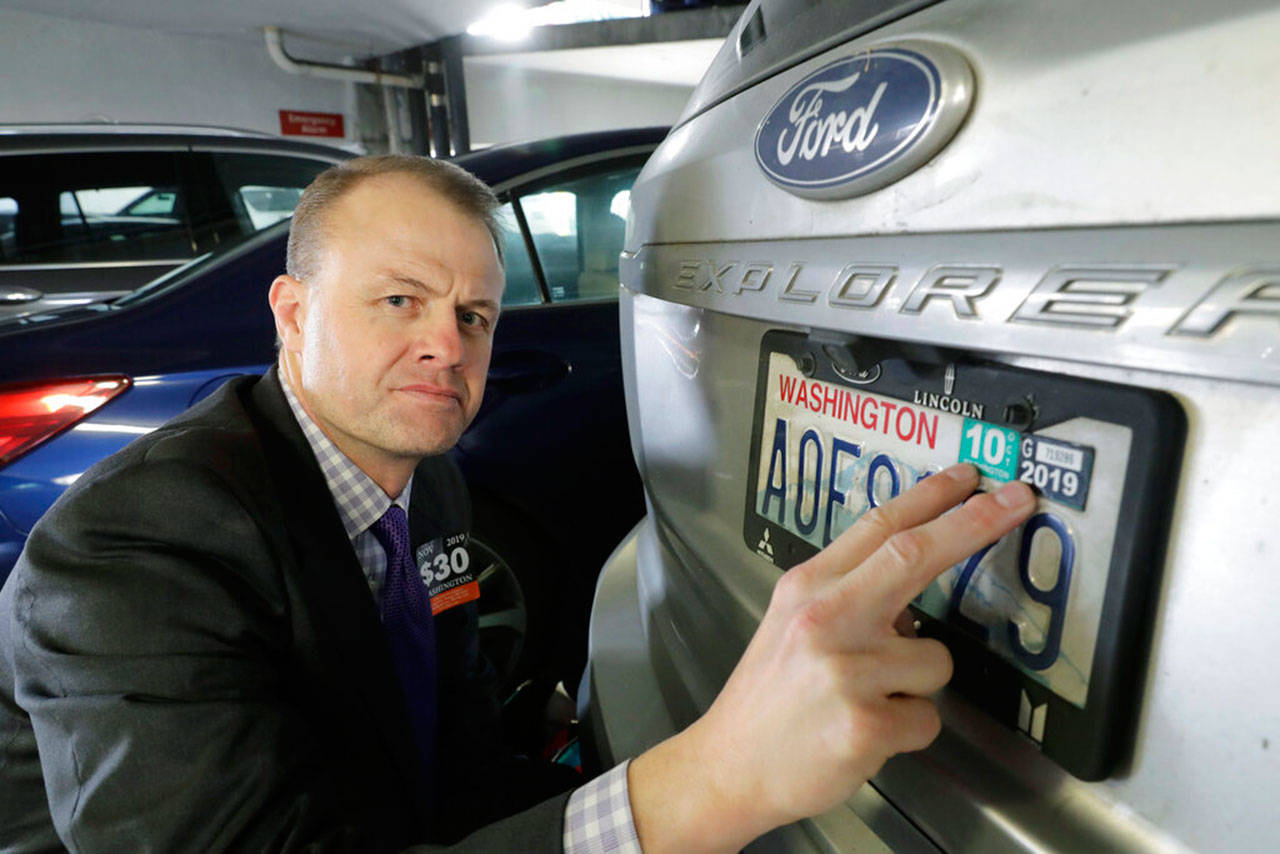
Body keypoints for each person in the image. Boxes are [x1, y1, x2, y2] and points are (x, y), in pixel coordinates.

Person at [0, 155, 1036, 852]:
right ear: (292, 309)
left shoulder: (428, 483)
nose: (447, 345)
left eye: (475, 315)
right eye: (399, 299)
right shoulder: (133, 548)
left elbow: (440, 763)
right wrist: (703, 780)